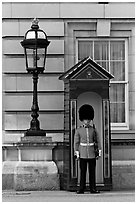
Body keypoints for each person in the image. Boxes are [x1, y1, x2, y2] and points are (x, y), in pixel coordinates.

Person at [74, 104, 101, 194]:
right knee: (83, 172)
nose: (87, 121)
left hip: (92, 152)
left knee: (92, 172)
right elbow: (76, 143)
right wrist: (77, 153)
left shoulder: (93, 130)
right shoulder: (78, 130)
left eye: (89, 119)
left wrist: (99, 151)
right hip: (83, 153)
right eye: (86, 119)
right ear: (82, 119)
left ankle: (93, 188)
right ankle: (81, 188)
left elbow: (97, 140)